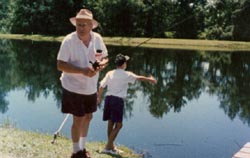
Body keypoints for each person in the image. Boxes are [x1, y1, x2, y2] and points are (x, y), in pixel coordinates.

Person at [57, 8, 108, 158]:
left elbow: (105, 58)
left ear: (91, 26)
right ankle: (75, 152)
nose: (81, 28)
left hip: (90, 87)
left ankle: (82, 149)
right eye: (78, 24)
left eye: (84, 25)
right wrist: (82, 71)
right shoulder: (69, 40)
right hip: (72, 86)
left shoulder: (97, 38)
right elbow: (60, 64)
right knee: (78, 118)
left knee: (88, 116)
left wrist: (100, 65)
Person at [97, 54, 157, 155]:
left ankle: (111, 147)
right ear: (124, 64)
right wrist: (150, 79)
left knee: (111, 122)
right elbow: (139, 78)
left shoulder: (109, 73)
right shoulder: (126, 74)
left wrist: (99, 97)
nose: (126, 64)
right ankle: (108, 147)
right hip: (117, 101)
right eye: (126, 62)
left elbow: (101, 86)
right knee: (119, 125)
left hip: (108, 99)